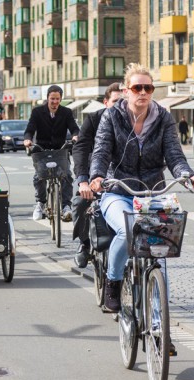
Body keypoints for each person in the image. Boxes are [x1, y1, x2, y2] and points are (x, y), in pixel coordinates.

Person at [89, 63, 194, 319]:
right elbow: (101, 150)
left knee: (159, 252)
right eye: (137, 87)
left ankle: (159, 322)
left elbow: (174, 154)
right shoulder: (112, 116)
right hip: (118, 189)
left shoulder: (162, 117)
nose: (143, 92)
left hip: (153, 191)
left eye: (148, 88)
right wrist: (96, 177)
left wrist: (187, 175)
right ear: (127, 91)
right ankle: (114, 282)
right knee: (125, 230)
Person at [71, 82, 122, 268]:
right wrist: (83, 180)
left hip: (122, 179)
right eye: (115, 101)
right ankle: (84, 245)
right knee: (80, 204)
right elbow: (81, 149)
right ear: (106, 102)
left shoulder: (132, 119)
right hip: (96, 177)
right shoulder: (93, 119)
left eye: (122, 101)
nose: (119, 105)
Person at [23, 84, 80, 222]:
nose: (55, 102)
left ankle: (66, 206)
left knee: (66, 175)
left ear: (60, 99)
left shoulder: (66, 112)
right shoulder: (37, 112)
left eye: (57, 99)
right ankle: (41, 203)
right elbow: (30, 129)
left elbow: (74, 128)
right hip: (41, 150)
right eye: (52, 99)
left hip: (60, 150)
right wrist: (27, 140)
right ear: (47, 98)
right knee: (39, 177)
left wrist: (75, 136)